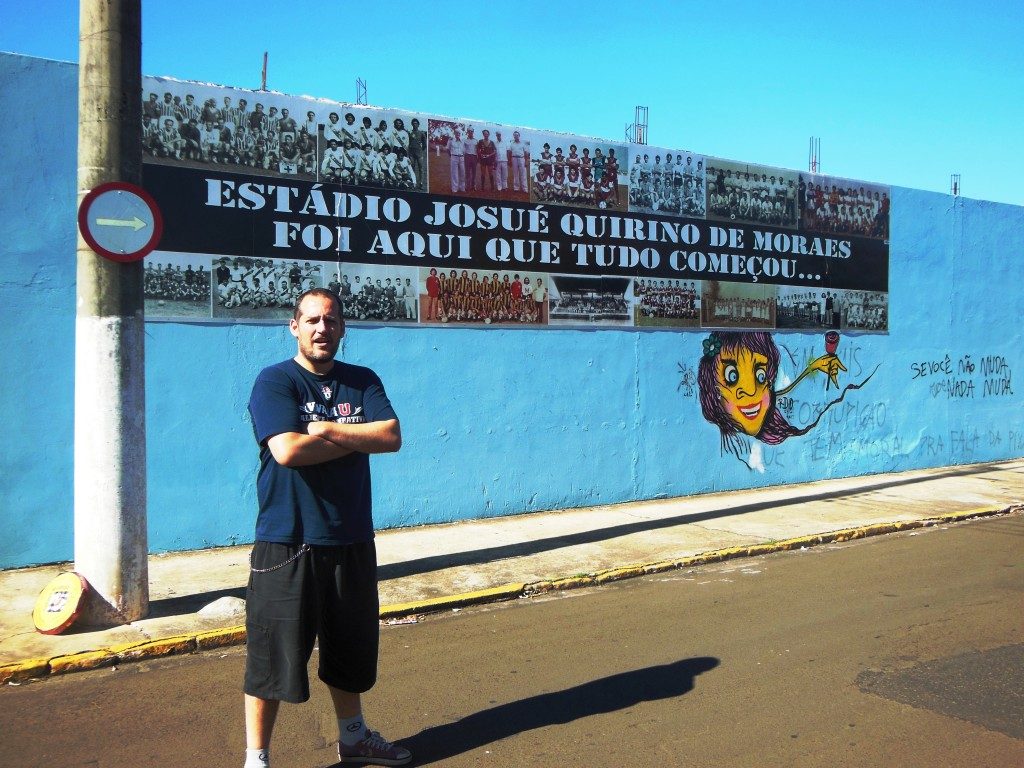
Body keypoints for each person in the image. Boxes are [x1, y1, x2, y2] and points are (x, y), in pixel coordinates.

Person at [244, 288, 410, 768]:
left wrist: (326, 430)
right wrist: (358, 438)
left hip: (351, 536)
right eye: (312, 320)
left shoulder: (362, 380)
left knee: (350, 650)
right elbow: (288, 452)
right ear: (294, 326)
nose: (322, 329)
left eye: (331, 321)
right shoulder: (275, 381)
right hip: (287, 540)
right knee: (272, 656)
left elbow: (392, 436)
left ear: (342, 328)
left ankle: (354, 738)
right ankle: (257, 759)